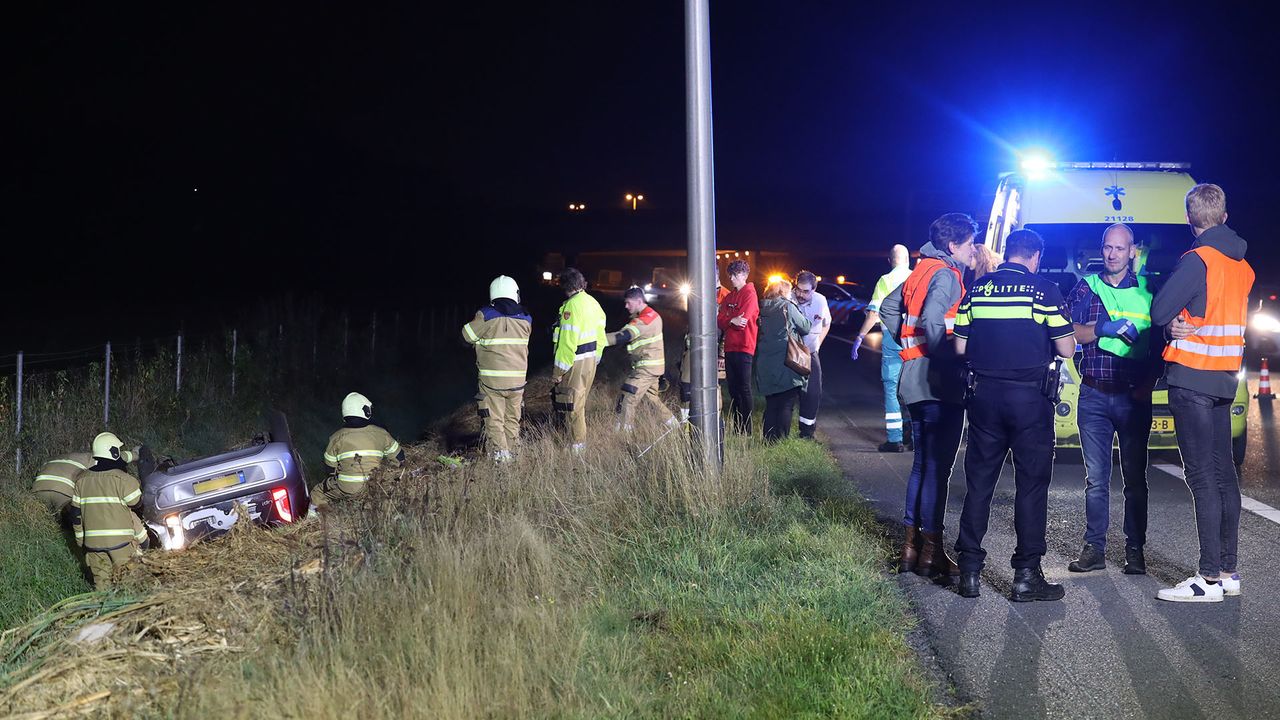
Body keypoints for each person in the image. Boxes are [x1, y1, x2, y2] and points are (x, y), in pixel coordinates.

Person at [952, 229, 1077, 601]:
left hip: (984, 398)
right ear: (1035, 256)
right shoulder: (1043, 291)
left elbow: (960, 346)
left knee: (980, 485)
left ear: (1007, 254)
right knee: (1031, 486)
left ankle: (969, 571)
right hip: (1029, 403)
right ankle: (1026, 576)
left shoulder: (977, 290)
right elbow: (1067, 348)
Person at [1151, 183, 1254, 603]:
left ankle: (1206, 579)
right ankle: (1228, 572)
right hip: (1224, 379)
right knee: (1224, 474)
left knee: (1202, 478)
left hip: (1192, 378)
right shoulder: (1241, 265)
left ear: (1191, 222)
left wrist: (1173, 321)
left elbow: (1159, 311)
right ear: (1225, 216)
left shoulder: (1198, 260)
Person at [878, 214, 976, 579]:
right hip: (937, 383)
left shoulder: (920, 270)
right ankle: (931, 551)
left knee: (923, 465)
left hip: (912, 379)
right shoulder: (947, 275)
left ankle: (911, 548)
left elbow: (888, 309)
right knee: (937, 469)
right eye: (968, 244)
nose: (971, 251)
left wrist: (908, 344)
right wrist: (944, 359)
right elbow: (934, 318)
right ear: (954, 246)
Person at [1064, 224, 1158, 575]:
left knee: (1135, 479)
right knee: (1096, 480)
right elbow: (1065, 332)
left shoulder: (1149, 291)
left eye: (1120, 248)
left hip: (1133, 397)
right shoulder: (1086, 288)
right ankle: (1095, 549)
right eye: (1107, 248)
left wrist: (1147, 384)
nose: (1112, 254)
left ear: (1133, 250)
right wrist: (1101, 329)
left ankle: (1135, 551)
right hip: (1094, 394)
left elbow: (1159, 345)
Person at [463, 275, 532, 462]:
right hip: (518, 382)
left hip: (492, 382)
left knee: (494, 421)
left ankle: (501, 461)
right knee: (512, 421)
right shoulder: (526, 318)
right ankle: (515, 455)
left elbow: (466, 335)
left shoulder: (486, 315)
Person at [852, 244, 914, 452]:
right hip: (916, 340)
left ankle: (895, 440)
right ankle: (914, 436)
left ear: (890, 261)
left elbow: (873, 313)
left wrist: (860, 336)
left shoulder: (885, 281)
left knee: (891, 388)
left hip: (892, 340)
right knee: (913, 389)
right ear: (908, 259)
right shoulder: (918, 278)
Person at [69, 432, 147, 588]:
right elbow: (137, 504)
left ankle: (104, 610)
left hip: (93, 546)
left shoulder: (81, 481)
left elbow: (76, 515)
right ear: (114, 452)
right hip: (121, 544)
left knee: (102, 586)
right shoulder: (123, 480)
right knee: (129, 583)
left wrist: (80, 541)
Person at [314, 392, 404, 508]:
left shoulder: (336, 437)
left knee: (318, 492)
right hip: (376, 486)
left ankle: (315, 521)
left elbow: (330, 469)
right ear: (366, 411)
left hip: (347, 488)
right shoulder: (381, 433)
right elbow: (400, 459)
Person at [552, 267, 608, 452]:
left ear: (565, 286)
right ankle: (577, 442)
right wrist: (597, 356)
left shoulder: (571, 306)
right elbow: (601, 333)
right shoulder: (593, 302)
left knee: (573, 405)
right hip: (591, 359)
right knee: (579, 403)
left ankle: (578, 446)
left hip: (576, 361)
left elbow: (567, 343)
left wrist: (558, 372)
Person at [608, 286, 677, 431]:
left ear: (639, 301)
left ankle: (623, 435)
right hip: (650, 366)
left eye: (628, 303)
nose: (626, 306)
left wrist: (596, 340)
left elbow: (624, 336)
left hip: (647, 368)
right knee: (652, 399)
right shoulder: (649, 315)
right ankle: (674, 425)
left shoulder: (645, 320)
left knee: (628, 396)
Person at [755, 278, 812, 441]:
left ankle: (768, 440)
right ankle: (781, 440)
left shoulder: (762, 307)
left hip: (766, 362)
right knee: (786, 403)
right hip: (786, 361)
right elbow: (806, 327)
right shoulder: (787, 306)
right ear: (783, 292)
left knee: (771, 404)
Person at [33, 445, 138, 514]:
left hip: (38, 489)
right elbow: (117, 458)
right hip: (64, 492)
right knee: (70, 517)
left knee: (45, 515)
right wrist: (135, 455)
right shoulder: (90, 458)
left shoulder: (53, 459)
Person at [717, 259, 759, 433]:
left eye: (734, 275)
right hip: (730, 347)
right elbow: (719, 320)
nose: (731, 279)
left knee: (744, 388)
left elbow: (742, 321)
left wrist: (730, 319)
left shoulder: (750, 294)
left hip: (744, 346)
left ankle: (746, 429)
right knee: (733, 389)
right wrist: (730, 320)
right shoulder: (730, 296)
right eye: (730, 275)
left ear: (743, 275)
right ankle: (737, 426)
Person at [793, 271, 831, 439]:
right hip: (791, 351)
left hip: (810, 352)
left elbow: (826, 324)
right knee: (788, 392)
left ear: (814, 289)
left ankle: (807, 432)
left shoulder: (820, 301)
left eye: (806, 291)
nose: (801, 294)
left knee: (813, 392)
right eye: (798, 290)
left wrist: (818, 345)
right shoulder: (789, 297)